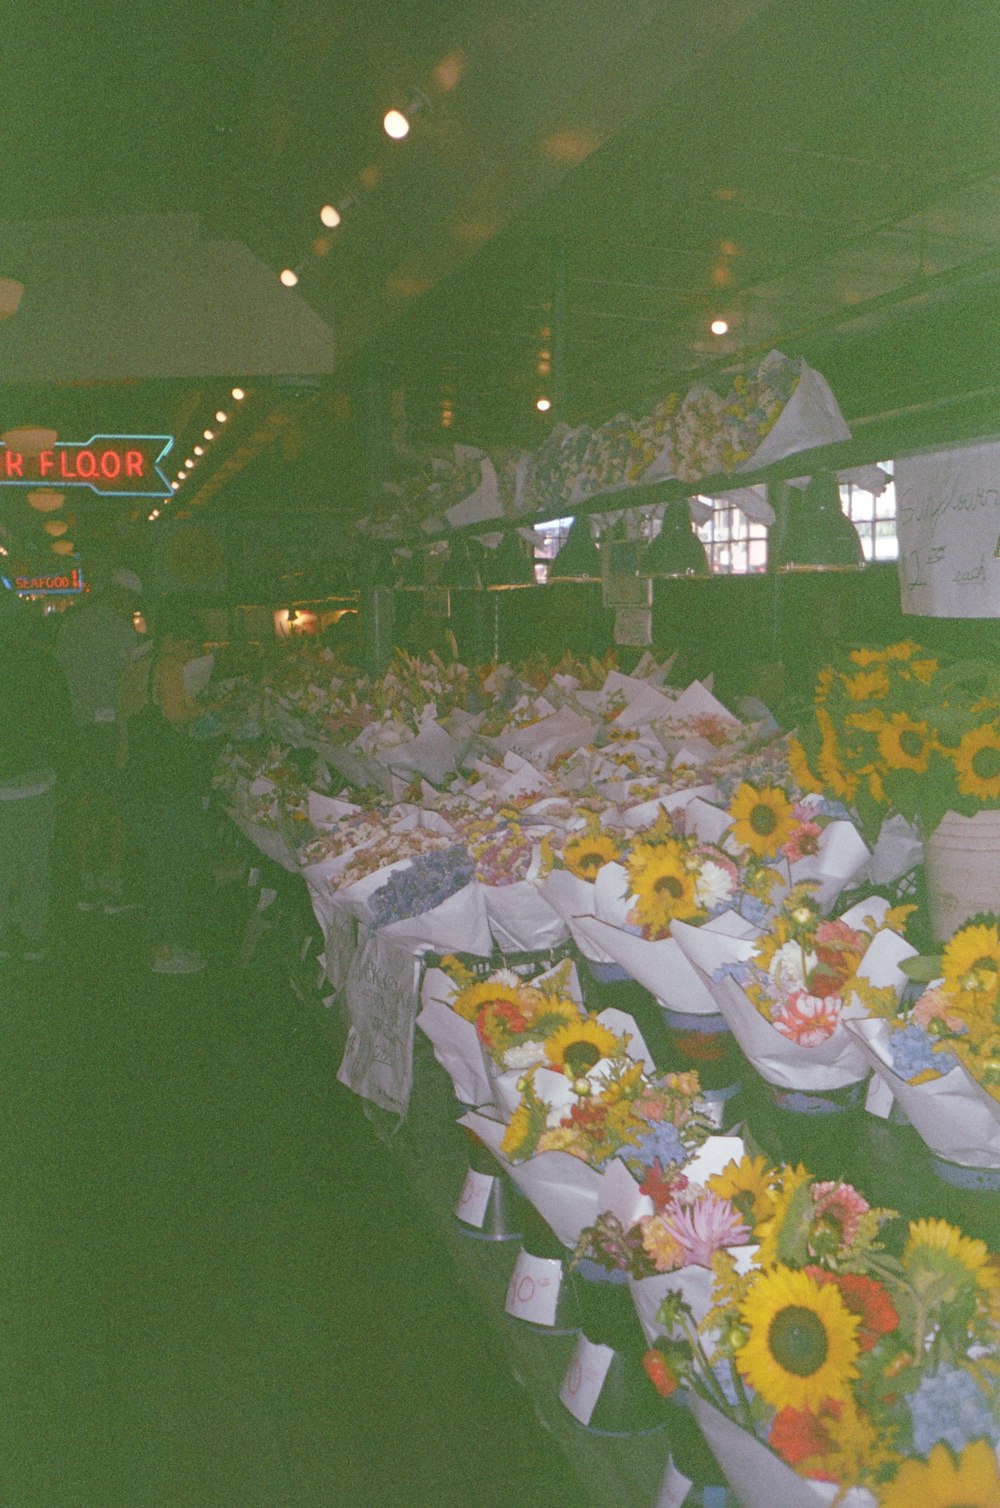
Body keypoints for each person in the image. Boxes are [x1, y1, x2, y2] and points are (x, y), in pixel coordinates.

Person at [117, 599, 215, 974]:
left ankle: (161, 944)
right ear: (176, 640)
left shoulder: (134, 667)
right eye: (191, 645)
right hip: (167, 781)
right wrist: (214, 706)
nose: (193, 654)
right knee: (174, 864)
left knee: (157, 863)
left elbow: (125, 731)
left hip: (138, 779)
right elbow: (176, 714)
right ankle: (163, 951)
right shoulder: (168, 664)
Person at [54, 565, 142, 912]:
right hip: (109, 729)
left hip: (77, 728)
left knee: (83, 803)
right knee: (113, 803)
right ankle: (112, 881)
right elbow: (127, 683)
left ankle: (85, 884)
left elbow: (60, 678)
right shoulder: (122, 630)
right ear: (121, 596)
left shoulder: (70, 625)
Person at [0, 588, 72, 962]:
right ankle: (33, 937)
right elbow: (60, 725)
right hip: (34, 778)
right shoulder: (42, 664)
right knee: (35, 862)